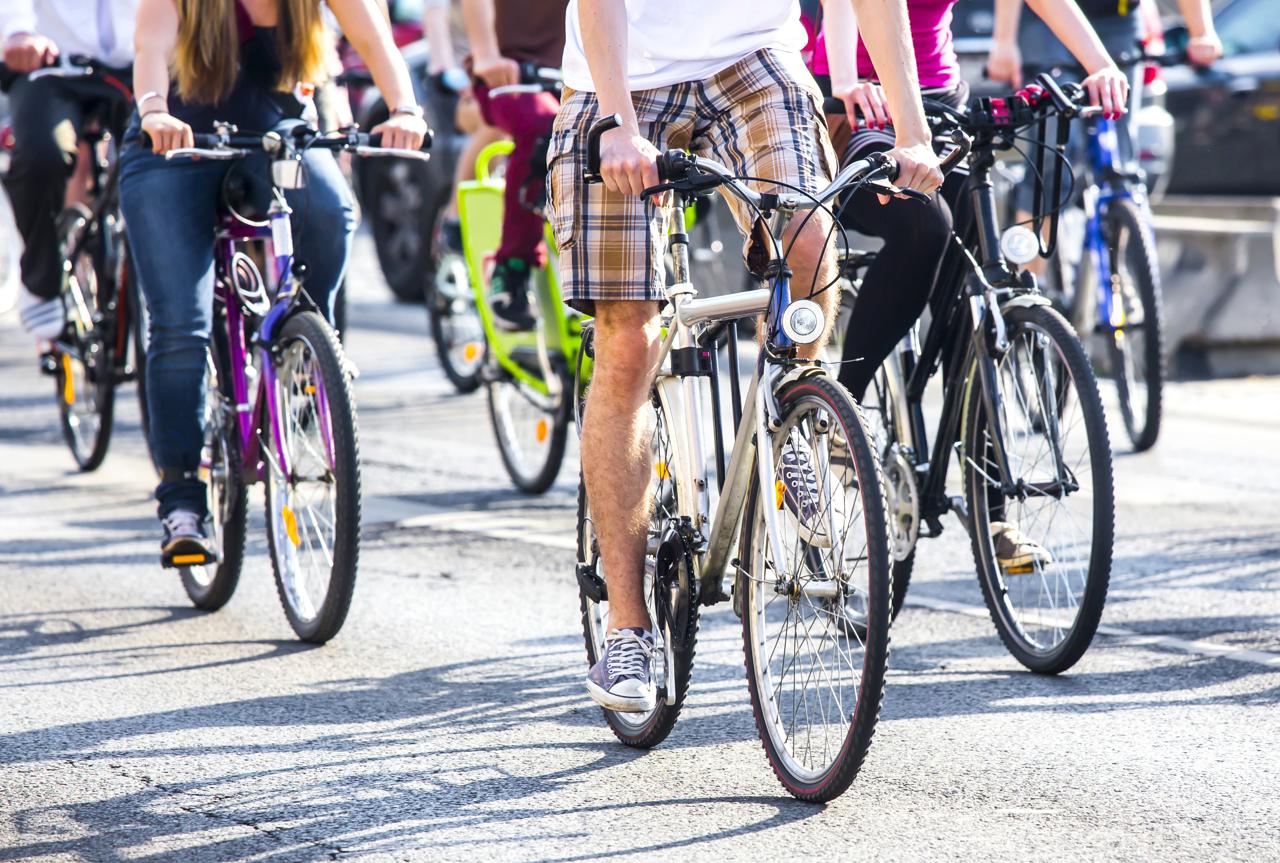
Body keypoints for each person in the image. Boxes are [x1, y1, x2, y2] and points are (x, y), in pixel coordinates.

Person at [551, 0, 943, 713]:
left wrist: (912, 134)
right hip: (619, 80)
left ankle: (793, 416)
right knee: (630, 341)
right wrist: (615, 123)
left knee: (809, 240)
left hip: (751, 61)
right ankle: (629, 629)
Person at [812, 0, 1129, 568]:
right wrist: (847, 80)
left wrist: (1098, 63)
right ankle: (843, 412)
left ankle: (995, 510)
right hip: (856, 108)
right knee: (923, 227)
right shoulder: (849, 87)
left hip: (943, 108)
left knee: (977, 290)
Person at [120, 0, 426, 566]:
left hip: (275, 136)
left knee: (331, 213)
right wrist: (155, 111)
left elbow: (375, 39)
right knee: (181, 325)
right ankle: (183, 501)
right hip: (173, 142)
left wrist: (405, 109)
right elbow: (151, 50)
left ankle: (307, 352)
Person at [987, 0, 1221, 266]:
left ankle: (1115, 280)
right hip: (1050, 20)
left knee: (1121, 162)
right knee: (1054, 153)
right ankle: (1030, 278)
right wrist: (1004, 40)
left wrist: (1201, 31)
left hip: (1119, 20)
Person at [1, 0, 139, 341]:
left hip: (141, 61)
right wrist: (17, 31)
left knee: (166, 159)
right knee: (41, 155)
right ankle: (41, 281)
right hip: (52, 66)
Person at [460, 0, 566, 331]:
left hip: (584, 73)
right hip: (512, 71)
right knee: (541, 124)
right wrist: (486, 53)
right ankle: (512, 267)